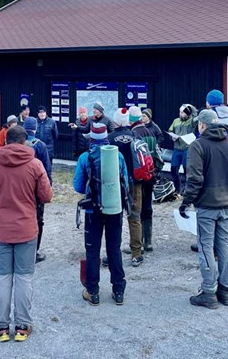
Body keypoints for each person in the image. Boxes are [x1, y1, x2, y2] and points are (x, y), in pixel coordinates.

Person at [0, 125, 52, 343]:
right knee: (24, 278)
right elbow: (46, 195)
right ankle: (23, 325)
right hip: (26, 228)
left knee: (3, 278)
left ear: (5, 141)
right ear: (25, 142)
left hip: (0, 229)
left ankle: (1, 326)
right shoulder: (35, 164)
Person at [179, 109, 228, 309]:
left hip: (207, 204)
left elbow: (194, 178)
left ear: (201, 125)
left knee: (206, 246)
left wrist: (186, 201)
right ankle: (225, 291)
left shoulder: (197, 146)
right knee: (224, 245)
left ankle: (208, 291)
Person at [74, 121, 131, 308]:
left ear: (90, 138)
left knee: (92, 250)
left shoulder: (85, 157)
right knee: (114, 248)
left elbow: (78, 186)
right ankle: (119, 291)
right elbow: (125, 183)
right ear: (107, 137)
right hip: (115, 208)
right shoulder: (118, 156)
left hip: (93, 209)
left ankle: (93, 292)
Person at [109, 108, 143, 267]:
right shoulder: (134, 136)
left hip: (116, 183)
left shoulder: (110, 138)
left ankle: (112, 254)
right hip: (135, 182)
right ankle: (137, 253)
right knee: (135, 217)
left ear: (116, 121)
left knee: (114, 218)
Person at [23, 116, 52, 263]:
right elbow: (47, 171)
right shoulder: (40, 146)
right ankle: (34, 251)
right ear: (35, 128)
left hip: (19, 189)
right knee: (37, 220)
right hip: (35, 191)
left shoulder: (16, 143)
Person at [135, 108, 162, 252]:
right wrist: (156, 171)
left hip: (138, 178)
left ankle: (138, 242)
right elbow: (159, 156)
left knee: (137, 207)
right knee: (147, 206)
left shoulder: (134, 135)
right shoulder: (151, 135)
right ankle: (148, 242)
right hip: (150, 176)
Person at [168, 104, 196, 194]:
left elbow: (197, 118)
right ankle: (177, 187)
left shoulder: (192, 121)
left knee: (186, 169)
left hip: (187, 148)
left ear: (188, 113)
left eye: (183, 112)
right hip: (177, 148)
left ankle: (186, 188)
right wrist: (172, 136)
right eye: (180, 112)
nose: (180, 114)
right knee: (173, 168)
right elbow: (170, 130)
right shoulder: (176, 121)